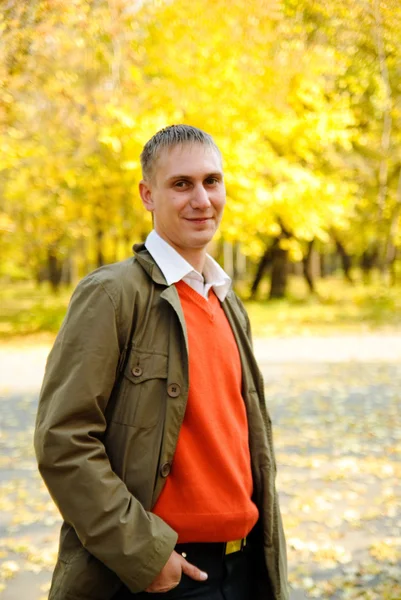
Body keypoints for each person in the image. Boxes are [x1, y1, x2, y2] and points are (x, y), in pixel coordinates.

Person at [34, 125, 289, 600]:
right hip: (162, 577)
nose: (201, 199)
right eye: (181, 184)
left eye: (212, 181)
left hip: (247, 567)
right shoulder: (112, 295)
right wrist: (145, 556)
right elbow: (63, 440)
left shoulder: (228, 301)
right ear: (147, 195)